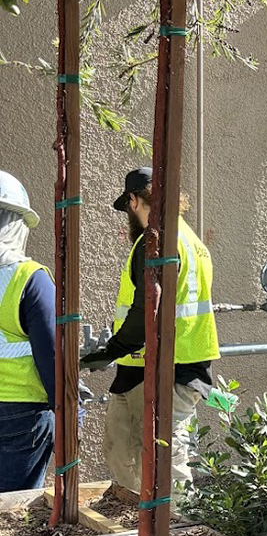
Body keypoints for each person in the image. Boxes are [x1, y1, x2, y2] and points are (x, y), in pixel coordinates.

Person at [81, 167, 219, 494]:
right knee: (125, 446)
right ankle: (138, 523)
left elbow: (146, 309)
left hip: (169, 366)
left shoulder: (156, 242)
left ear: (133, 200)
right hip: (149, 364)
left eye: (128, 205)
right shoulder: (190, 240)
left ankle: (175, 531)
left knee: (166, 455)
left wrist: (109, 352)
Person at [0, 173, 56, 490]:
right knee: (10, 517)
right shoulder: (29, 279)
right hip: (21, 416)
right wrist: (70, 414)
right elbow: (52, 357)